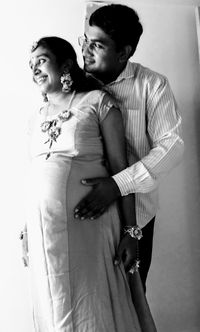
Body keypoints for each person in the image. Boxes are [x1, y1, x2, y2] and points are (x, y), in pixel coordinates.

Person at [21, 36, 144, 331]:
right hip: (44, 235)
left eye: (41, 60)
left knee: (93, 305)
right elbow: (36, 174)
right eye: (30, 65)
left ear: (65, 64)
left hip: (91, 228)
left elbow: (120, 169)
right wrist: (27, 228)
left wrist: (131, 232)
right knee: (54, 306)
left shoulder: (98, 102)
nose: (34, 69)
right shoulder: (36, 117)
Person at [75, 4, 184, 291]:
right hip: (79, 212)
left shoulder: (152, 85)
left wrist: (117, 184)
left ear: (123, 52)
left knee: (129, 301)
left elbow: (171, 146)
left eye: (97, 45)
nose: (85, 50)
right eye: (84, 40)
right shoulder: (71, 85)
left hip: (136, 217)